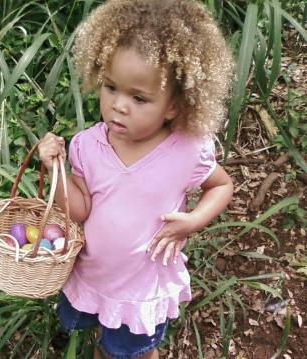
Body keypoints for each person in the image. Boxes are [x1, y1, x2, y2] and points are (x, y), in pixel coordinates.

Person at [38, 0, 235, 357]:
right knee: (105, 340)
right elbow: (80, 209)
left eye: (139, 97)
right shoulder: (87, 147)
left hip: (142, 287)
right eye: (111, 87)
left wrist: (192, 221)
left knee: (138, 352)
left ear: (175, 106)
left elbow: (221, 185)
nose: (119, 105)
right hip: (97, 274)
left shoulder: (186, 152)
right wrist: (56, 169)